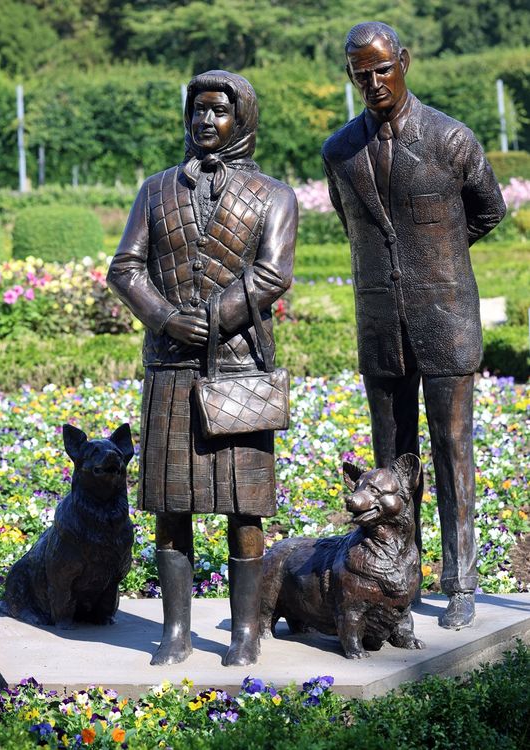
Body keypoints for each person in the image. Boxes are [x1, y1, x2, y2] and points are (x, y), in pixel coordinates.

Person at [107, 70, 297, 665]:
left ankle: (244, 634)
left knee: (245, 504)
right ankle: (176, 632)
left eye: (218, 111)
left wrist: (212, 319)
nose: (205, 122)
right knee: (172, 504)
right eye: (197, 111)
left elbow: (271, 275)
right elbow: (126, 268)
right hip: (170, 366)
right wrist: (164, 318)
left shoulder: (274, 194)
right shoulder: (156, 189)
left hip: (238, 367)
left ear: (242, 118)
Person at [322, 22, 506, 629]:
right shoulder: (340, 151)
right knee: (389, 463)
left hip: (446, 317)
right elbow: (357, 231)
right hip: (380, 324)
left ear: (403, 62)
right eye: (360, 73)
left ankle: (461, 581)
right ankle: (400, 581)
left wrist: (443, 258)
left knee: (452, 451)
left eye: (381, 69)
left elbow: (489, 209)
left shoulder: (452, 139)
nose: (372, 82)